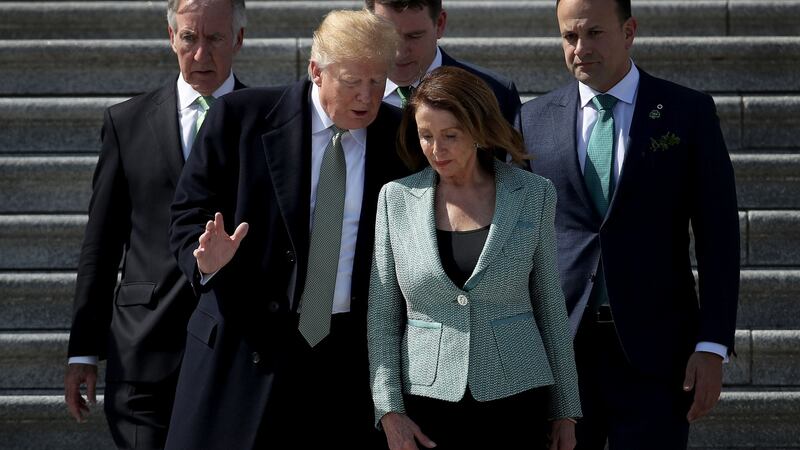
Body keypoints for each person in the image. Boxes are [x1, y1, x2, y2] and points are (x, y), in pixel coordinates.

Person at [165, 10, 408, 449]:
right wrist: (206, 261)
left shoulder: (399, 137)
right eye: (353, 80)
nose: (367, 97)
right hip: (245, 353)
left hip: (344, 362)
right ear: (316, 70)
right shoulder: (241, 118)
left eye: (378, 82)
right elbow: (187, 215)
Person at [516, 0, 740, 448]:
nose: (580, 48)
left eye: (594, 34)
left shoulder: (686, 112)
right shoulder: (530, 120)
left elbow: (719, 237)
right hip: (561, 356)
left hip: (657, 356)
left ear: (630, 30)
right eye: (569, 36)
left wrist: (713, 344)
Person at [368, 66, 581, 450]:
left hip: (517, 395)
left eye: (450, 135)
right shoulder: (394, 199)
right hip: (426, 402)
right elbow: (383, 316)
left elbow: (550, 304)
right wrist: (389, 410)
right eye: (426, 136)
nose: (436, 149)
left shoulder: (534, 194)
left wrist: (566, 408)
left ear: (479, 131)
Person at [64, 0, 245, 447]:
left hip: (233, 353)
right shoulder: (126, 122)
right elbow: (101, 245)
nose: (201, 54)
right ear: (171, 37)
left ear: (239, 39)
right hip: (142, 354)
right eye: (189, 38)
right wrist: (83, 349)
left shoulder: (268, 122)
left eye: (215, 38)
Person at [366, 0, 520, 124]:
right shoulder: (349, 94)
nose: (399, 52)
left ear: (440, 24)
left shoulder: (495, 93)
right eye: (387, 36)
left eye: (414, 36)